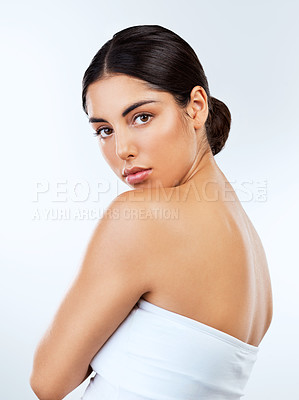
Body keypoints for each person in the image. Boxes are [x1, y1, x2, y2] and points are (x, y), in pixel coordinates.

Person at [30, 25, 273, 400]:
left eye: (141, 117)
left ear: (196, 107)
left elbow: (48, 383)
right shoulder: (250, 247)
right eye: (104, 130)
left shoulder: (141, 217)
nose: (122, 149)